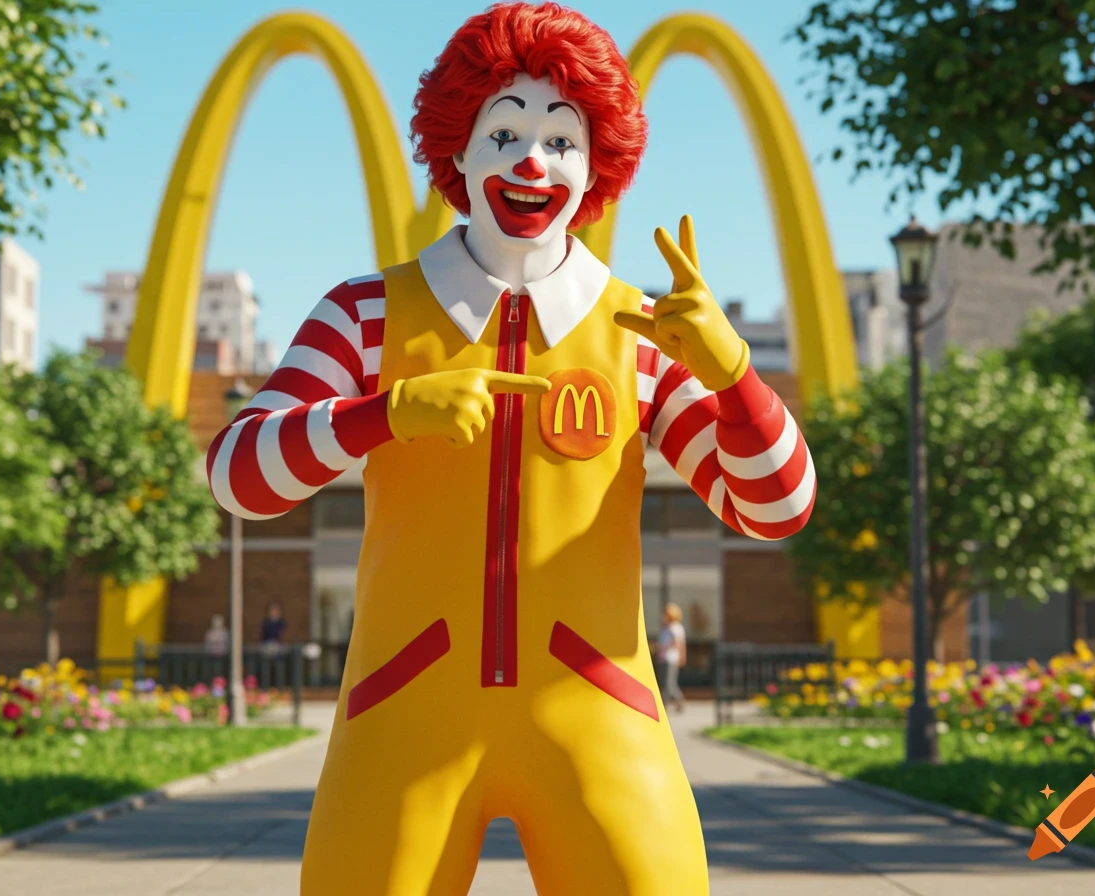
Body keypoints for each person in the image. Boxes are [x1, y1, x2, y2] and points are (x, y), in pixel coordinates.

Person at [206, 5, 816, 893]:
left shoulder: (642, 333)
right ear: (458, 150)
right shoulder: (366, 313)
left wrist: (733, 375)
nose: (533, 162)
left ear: (596, 166)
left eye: (562, 142)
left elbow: (776, 507)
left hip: (600, 713)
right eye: (505, 133)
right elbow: (235, 475)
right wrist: (386, 413)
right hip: (402, 711)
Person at [655, 603, 687, 714]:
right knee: (664, 682)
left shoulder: (676, 627)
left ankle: (670, 703)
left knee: (670, 683)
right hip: (663, 658)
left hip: (671, 658)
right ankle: (670, 703)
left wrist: (681, 657)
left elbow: (680, 643)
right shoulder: (665, 627)